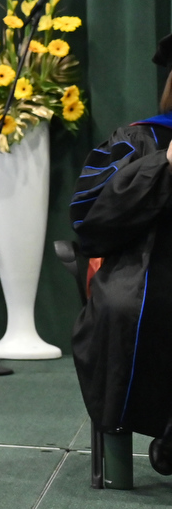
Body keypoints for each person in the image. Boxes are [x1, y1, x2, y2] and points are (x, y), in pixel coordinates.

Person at [70, 32, 172, 475]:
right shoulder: (140, 139)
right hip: (146, 270)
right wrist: (164, 164)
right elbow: (90, 218)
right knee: (130, 308)